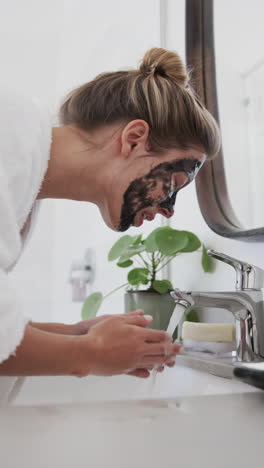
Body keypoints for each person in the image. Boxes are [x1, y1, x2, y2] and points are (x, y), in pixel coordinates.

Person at [0, 48, 220, 402]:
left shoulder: (21, 174)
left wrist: (75, 334)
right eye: (173, 185)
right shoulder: (7, 133)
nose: (168, 211)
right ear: (133, 139)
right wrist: (92, 353)